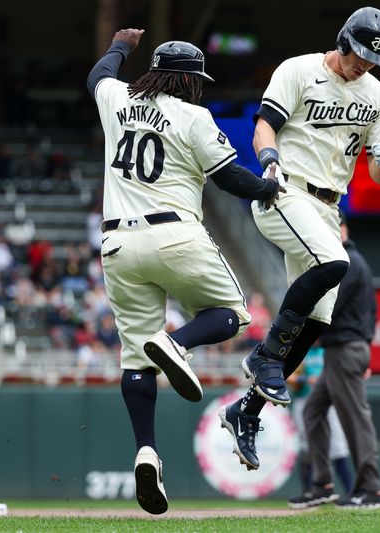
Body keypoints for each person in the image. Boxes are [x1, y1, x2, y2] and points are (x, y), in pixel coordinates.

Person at [86, 27, 283, 515]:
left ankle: (146, 451)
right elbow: (228, 177)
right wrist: (268, 188)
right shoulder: (194, 115)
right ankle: (178, 343)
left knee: (135, 360)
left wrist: (119, 47)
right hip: (174, 234)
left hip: (116, 242)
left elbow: (98, 75)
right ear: (192, 82)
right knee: (235, 313)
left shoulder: (116, 99)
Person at [219, 6, 380, 472]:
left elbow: (379, 174)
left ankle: (246, 411)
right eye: (359, 53)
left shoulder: (377, 95)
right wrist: (269, 159)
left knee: (319, 320)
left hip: (327, 204)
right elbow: (264, 126)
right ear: (342, 40)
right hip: (285, 188)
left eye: (373, 58)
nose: (364, 64)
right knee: (336, 262)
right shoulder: (298, 69)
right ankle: (264, 359)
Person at [299, 214, 380, 509]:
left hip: (346, 349)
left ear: (343, 229)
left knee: (355, 419)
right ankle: (322, 483)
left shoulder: (347, 261)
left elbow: (329, 309)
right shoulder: (348, 260)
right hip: (343, 350)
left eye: (332, 226)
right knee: (312, 411)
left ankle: (372, 489)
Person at [286, 346, 353, 509]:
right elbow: (287, 375)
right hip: (304, 400)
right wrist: (305, 379)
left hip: (329, 401)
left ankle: (352, 493)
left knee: (338, 447)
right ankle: (309, 493)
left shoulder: (327, 350)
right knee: (307, 447)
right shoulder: (300, 348)